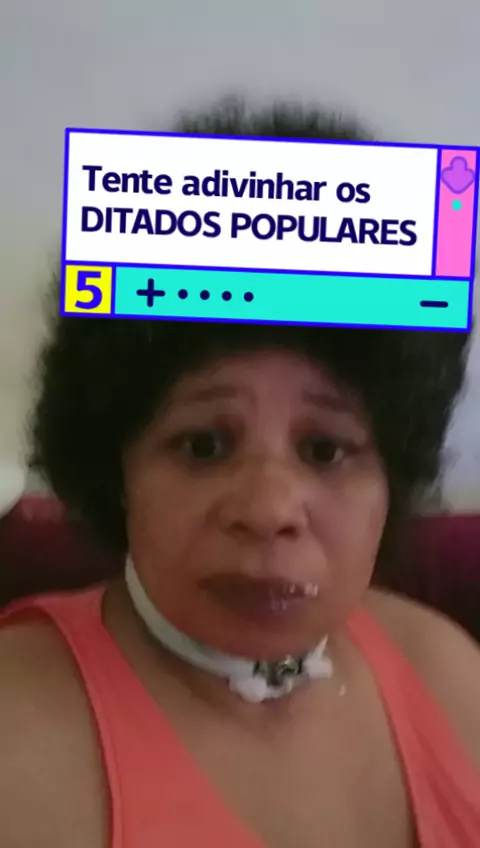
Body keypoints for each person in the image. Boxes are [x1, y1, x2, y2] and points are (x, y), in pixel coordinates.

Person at [1, 101, 480, 848]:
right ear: (116, 470)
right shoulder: (17, 743)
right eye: (203, 446)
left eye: (326, 449)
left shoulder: (447, 673)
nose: (269, 508)